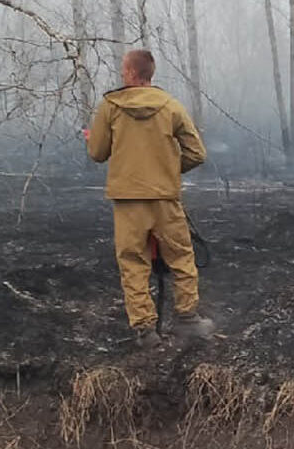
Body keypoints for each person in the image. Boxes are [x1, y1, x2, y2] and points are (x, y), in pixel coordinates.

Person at [84, 49, 213, 347]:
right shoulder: (171, 106)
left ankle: (145, 331)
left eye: (122, 69)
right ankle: (188, 320)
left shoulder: (110, 106)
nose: (121, 74)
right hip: (165, 198)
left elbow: (97, 154)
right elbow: (197, 153)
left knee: (133, 261)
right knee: (181, 257)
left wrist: (92, 139)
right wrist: (167, 171)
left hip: (128, 202)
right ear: (150, 74)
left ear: (130, 73)